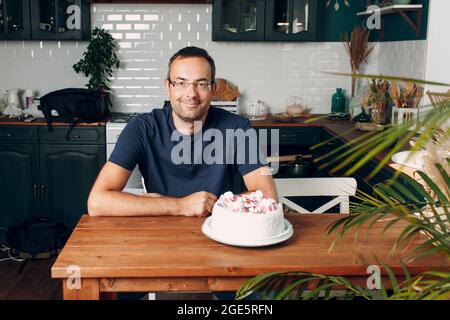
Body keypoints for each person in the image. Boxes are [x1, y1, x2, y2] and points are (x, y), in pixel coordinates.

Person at [87, 46, 278, 217]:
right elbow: (97, 203)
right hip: (162, 233)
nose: (191, 94)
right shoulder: (142, 128)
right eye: (181, 83)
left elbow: (268, 197)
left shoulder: (238, 128)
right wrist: (180, 206)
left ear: (213, 89)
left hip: (223, 231)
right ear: (168, 87)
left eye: (201, 84)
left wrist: (215, 206)